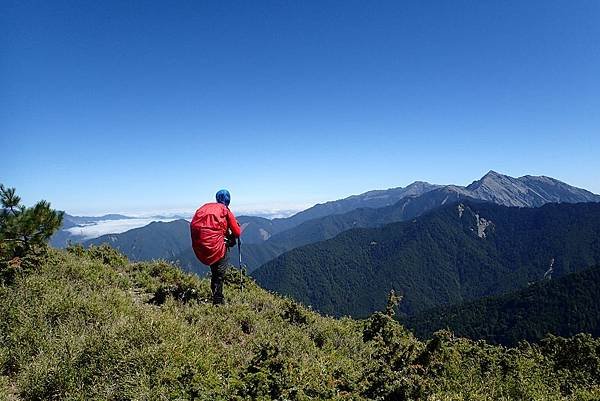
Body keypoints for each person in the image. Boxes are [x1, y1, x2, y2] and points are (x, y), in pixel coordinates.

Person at [190, 189, 241, 305]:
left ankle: (215, 294)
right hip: (217, 246)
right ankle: (218, 302)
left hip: (202, 245)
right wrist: (231, 236)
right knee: (219, 273)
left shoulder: (205, 207)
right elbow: (237, 233)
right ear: (228, 200)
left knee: (215, 271)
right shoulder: (225, 210)